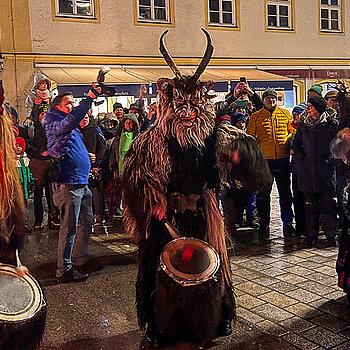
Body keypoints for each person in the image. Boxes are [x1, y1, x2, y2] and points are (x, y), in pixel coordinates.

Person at [122, 30, 272, 348]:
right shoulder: (153, 140)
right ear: (168, 105)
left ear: (204, 106)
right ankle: (159, 324)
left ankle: (213, 320)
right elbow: (137, 177)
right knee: (158, 269)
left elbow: (255, 170)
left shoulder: (217, 134)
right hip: (166, 220)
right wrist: (153, 201)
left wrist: (240, 157)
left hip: (204, 217)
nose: (186, 113)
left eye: (193, 106)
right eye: (179, 106)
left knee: (210, 268)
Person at [43, 84, 101, 283]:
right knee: (69, 228)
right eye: (69, 103)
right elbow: (70, 121)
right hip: (69, 184)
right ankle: (64, 269)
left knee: (86, 221)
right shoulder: (53, 120)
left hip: (81, 183)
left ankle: (79, 258)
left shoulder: (69, 123)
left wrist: (87, 157)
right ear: (58, 106)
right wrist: (89, 98)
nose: (72, 106)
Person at [247, 88, 295, 238]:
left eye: (273, 99)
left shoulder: (285, 114)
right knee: (263, 194)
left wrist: (289, 141)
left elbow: (292, 131)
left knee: (285, 193)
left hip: (282, 159)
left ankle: (287, 223)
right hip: (264, 161)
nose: (271, 101)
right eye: (268, 99)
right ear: (264, 100)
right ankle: (264, 223)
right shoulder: (256, 116)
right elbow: (250, 136)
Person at [292, 96, 338, 246]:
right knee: (310, 205)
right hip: (308, 172)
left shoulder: (331, 124)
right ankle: (311, 235)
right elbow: (296, 145)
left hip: (325, 172)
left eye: (311, 106)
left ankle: (330, 236)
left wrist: (329, 160)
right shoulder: (304, 126)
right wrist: (302, 159)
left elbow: (337, 145)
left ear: (318, 108)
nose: (308, 109)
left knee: (328, 205)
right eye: (308, 106)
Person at [108, 114, 139, 221]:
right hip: (120, 170)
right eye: (126, 123)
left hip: (133, 172)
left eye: (131, 123)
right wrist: (113, 167)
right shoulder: (117, 139)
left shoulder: (138, 138)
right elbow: (113, 153)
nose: (129, 125)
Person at [79, 109, 106, 226]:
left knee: (95, 192)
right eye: (82, 118)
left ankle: (98, 215)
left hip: (93, 167)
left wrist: (97, 161)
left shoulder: (95, 129)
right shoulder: (74, 131)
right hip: (79, 167)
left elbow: (102, 145)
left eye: (86, 118)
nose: (84, 120)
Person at [290, 103, 307, 236]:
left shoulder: (307, 128)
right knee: (297, 198)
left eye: (297, 114)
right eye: (294, 114)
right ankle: (300, 226)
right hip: (296, 169)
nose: (294, 116)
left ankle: (308, 227)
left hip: (307, 169)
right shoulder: (292, 129)